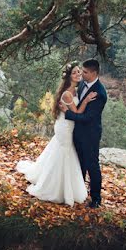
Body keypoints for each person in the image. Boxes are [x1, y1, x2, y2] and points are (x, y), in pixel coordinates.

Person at [16, 62, 97, 206]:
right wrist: (86, 101)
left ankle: (60, 183)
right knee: (63, 153)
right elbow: (77, 112)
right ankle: (53, 188)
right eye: (75, 73)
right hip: (65, 127)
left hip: (69, 125)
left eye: (79, 72)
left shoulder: (74, 90)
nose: (78, 74)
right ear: (69, 77)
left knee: (61, 152)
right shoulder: (67, 94)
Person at [60, 58, 108, 208]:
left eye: (85, 72)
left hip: (90, 134)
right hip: (76, 132)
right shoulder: (81, 85)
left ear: (93, 73)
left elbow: (87, 118)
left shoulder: (100, 93)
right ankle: (78, 192)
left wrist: (67, 114)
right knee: (79, 163)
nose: (82, 74)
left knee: (92, 165)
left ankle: (96, 199)